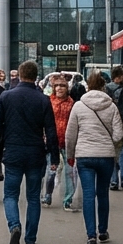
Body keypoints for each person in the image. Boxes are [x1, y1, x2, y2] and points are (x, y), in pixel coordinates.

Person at [0, 60, 58, 244]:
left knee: (10, 194)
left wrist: (9, 131)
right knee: (33, 197)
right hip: (35, 152)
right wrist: (54, 157)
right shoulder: (43, 100)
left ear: (19, 74)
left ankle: (14, 226)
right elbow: (51, 131)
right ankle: (30, 240)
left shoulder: (6, 96)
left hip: (12, 151)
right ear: (36, 76)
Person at [66, 72, 123, 244]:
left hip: (84, 155)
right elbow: (119, 133)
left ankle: (91, 236)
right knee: (103, 193)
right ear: (103, 86)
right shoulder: (111, 106)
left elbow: (70, 135)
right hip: (106, 156)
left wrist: (70, 154)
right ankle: (103, 231)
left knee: (89, 195)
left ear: (88, 86)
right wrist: (112, 145)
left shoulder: (78, 106)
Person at [48, 73, 77, 210]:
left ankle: (67, 199)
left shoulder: (72, 103)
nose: (59, 88)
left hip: (68, 142)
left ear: (67, 88)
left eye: (62, 86)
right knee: (51, 170)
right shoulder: (49, 102)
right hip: (52, 141)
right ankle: (47, 195)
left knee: (69, 172)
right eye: (57, 86)